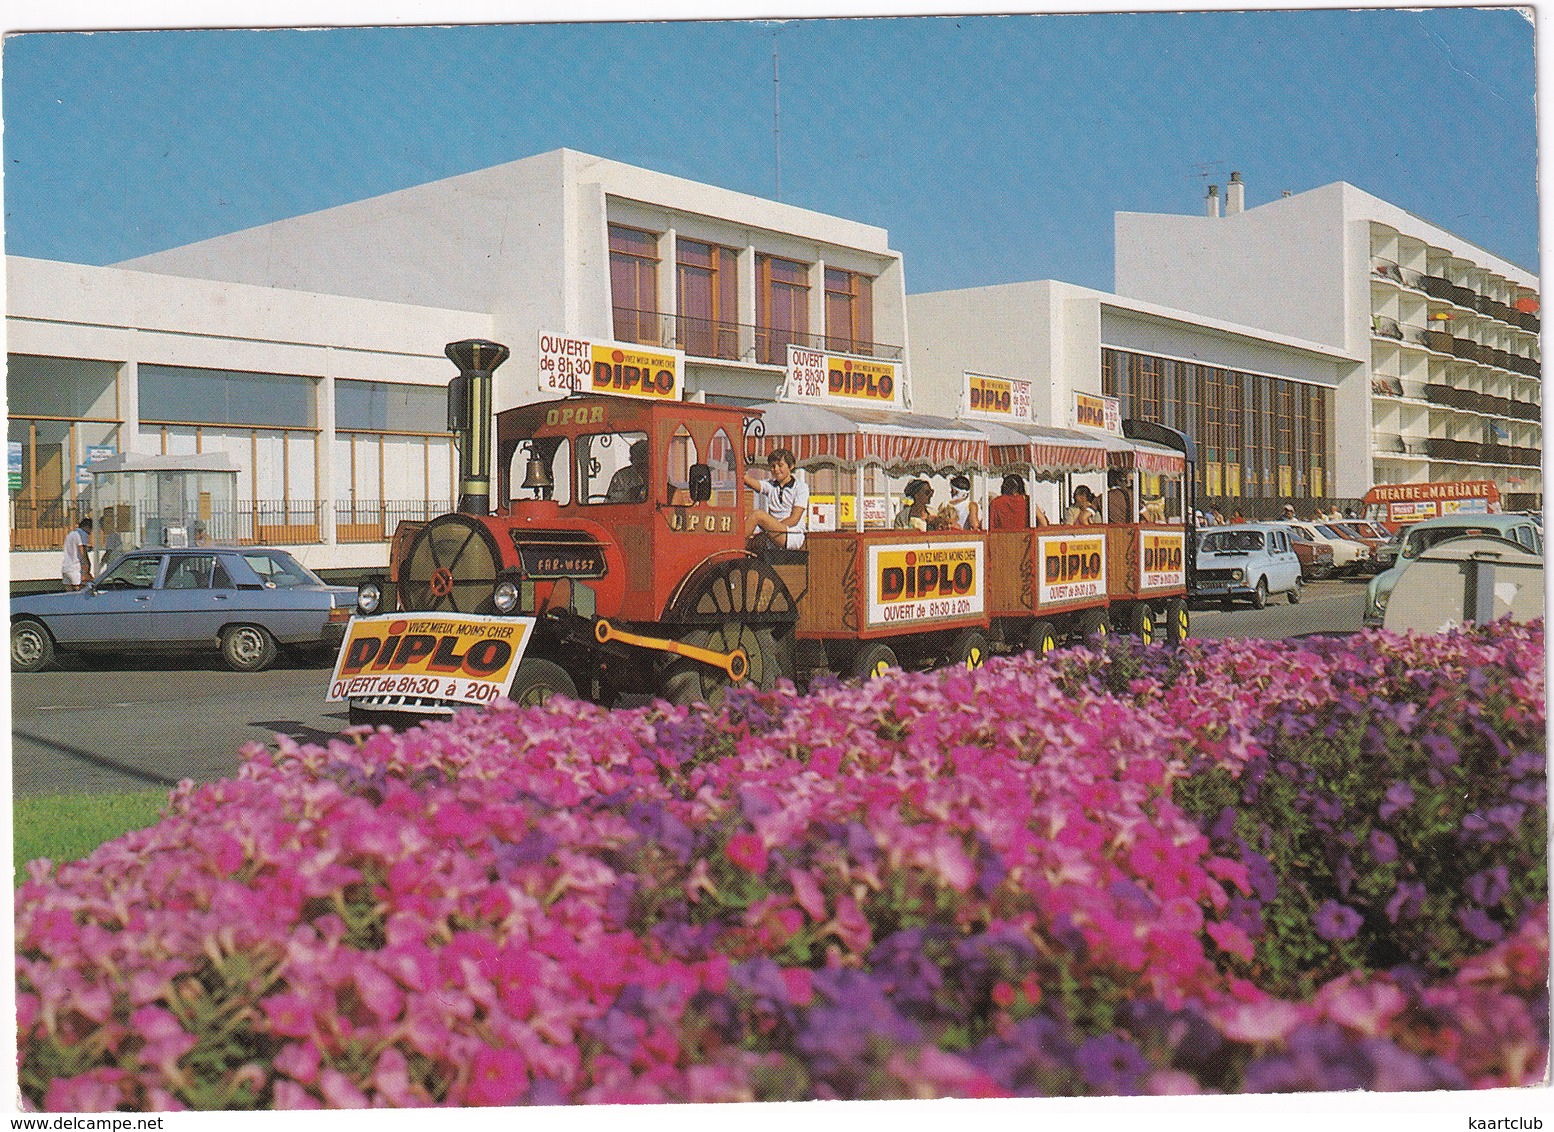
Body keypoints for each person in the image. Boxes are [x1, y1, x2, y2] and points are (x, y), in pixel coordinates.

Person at [744, 447, 809, 550]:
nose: (776, 469)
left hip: (791, 535)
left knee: (757, 515)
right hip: (774, 535)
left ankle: (733, 544)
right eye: (773, 466)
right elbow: (751, 482)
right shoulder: (771, 485)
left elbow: (794, 519)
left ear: (791, 466)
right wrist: (738, 469)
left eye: (780, 465)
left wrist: (768, 529)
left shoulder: (801, 487)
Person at [61, 516, 94, 591]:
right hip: (76, 568)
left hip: (66, 567)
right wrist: (87, 565)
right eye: (91, 529)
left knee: (68, 594)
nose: (90, 533)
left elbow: (73, 548)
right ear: (87, 527)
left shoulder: (71, 534)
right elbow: (81, 549)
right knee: (80, 591)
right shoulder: (82, 533)